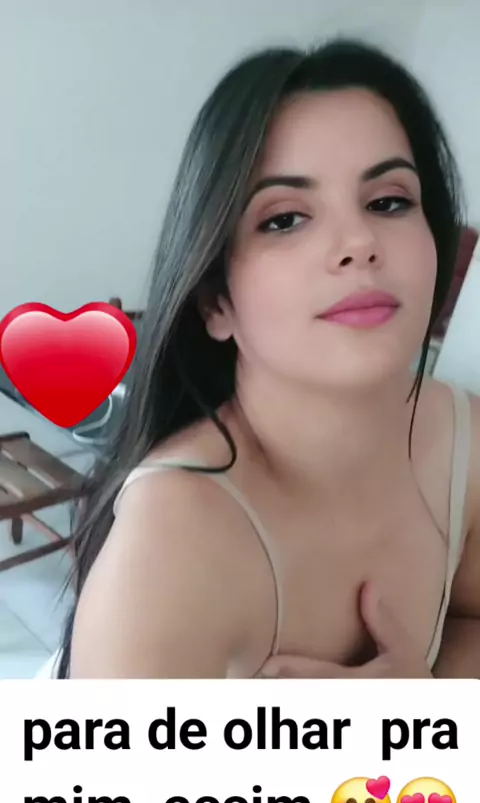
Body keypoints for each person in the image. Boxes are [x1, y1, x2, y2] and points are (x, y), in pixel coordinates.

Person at [59, 38, 480, 679]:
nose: (359, 241)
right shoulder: (169, 550)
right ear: (215, 302)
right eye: (284, 219)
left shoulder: (464, 440)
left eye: (389, 201)